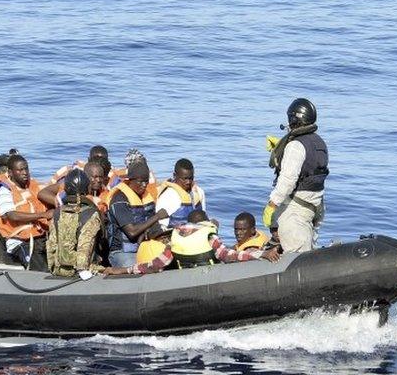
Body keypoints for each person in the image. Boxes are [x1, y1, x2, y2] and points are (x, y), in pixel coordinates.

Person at [106, 210, 280, 275]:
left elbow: (155, 265)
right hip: (210, 278)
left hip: (185, 279)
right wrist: (262, 253)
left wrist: (124, 270)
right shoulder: (209, 236)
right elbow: (228, 255)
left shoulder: (175, 239)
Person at [263, 98, 329, 253]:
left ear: (294, 119)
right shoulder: (319, 143)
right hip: (315, 207)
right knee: (309, 251)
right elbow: (309, 166)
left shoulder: (295, 146)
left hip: (295, 210)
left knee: (297, 258)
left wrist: (272, 204)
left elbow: (288, 180)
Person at [0, 155, 54, 271]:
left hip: (39, 237)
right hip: (19, 241)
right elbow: (11, 215)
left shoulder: (33, 186)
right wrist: (43, 215)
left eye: (26, 169)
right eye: (20, 170)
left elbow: (51, 190)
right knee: (40, 269)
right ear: (10, 172)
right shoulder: (4, 191)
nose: (25, 173)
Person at [105, 161, 167, 267]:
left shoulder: (145, 196)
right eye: (140, 182)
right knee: (137, 268)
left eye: (146, 182)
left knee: (167, 260)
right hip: (122, 252)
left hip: (143, 247)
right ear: (130, 180)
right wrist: (158, 216)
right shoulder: (119, 199)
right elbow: (132, 232)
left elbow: (151, 224)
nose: (144, 185)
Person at [46, 169, 105, 277]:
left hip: (58, 269)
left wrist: (52, 267)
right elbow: (86, 242)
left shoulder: (58, 212)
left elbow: (52, 244)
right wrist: (82, 270)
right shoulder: (91, 214)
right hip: (83, 270)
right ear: (87, 188)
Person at [38, 158, 112, 215]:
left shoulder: (104, 192)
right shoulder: (72, 186)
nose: (98, 180)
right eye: (95, 177)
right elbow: (42, 193)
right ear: (86, 176)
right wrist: (58, 202)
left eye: (100, 177)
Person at [156, 158, 207, 228]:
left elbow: (203, 216)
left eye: (191, 178)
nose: (188, 182)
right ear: (174, 175)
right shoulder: (168, 196)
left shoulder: (199, 192)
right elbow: (162, 225)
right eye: (184, 178)